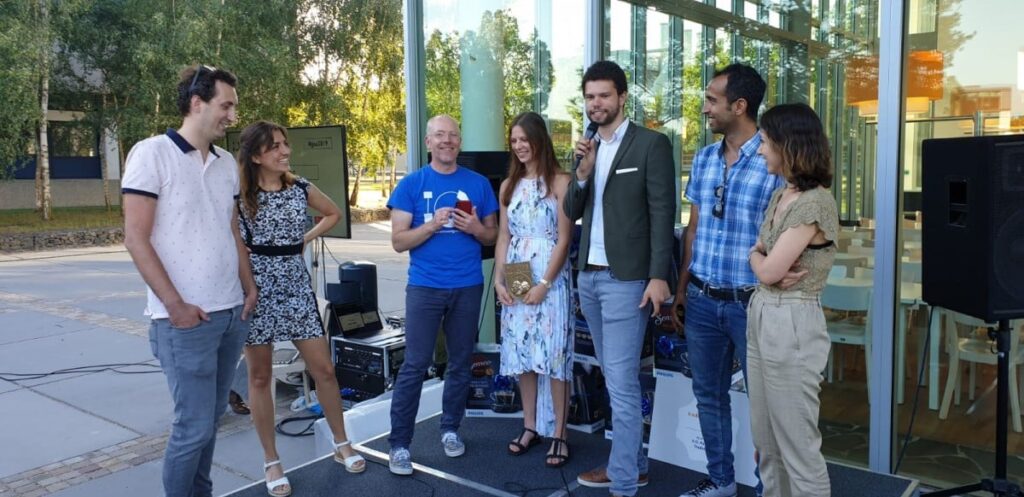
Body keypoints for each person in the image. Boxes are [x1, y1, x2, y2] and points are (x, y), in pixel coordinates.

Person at [122, 64, 256, 497]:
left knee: (210, 422)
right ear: (197, 104)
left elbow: (231, 231)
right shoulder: (150, 153)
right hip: (184, 320)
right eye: (226, 105)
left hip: (229, 312)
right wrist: (175, 306)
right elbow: (135, 238)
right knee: (192, 427)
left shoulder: (224, 166)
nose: (232, 115)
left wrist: (248, 287)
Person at [669, 63, 788, 497]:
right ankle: (720, 481)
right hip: (701, 299)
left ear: (740, 106)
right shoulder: (703, 158)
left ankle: (766, 490)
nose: (704, 109)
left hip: (752, 303)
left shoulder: (775, 160)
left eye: (712, 100)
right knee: (708, 396)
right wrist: (682, 289)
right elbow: (693, 230)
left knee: (765, 408)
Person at [236, 121, 365, 497]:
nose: (284, 151)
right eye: (275, 146)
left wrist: (302, 240)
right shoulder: (240, 197)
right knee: (259, 378)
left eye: (284, 144)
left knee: (323, 368)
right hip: (256, 290)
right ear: (257, 156)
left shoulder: (300, 187)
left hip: (295, 287)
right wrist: (248, 287)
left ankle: (342, 444)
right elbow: (237, 247)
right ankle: (271, 460)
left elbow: (333, 213)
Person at [565, 60, 675, 497]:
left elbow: (663, 213)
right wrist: (583, 174)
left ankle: (624, 484)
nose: (596, 104)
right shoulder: (586, 147)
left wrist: (657, 276)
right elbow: (573, 210)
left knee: (622, 384)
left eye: (604, 96)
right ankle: (631, 463)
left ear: (623, 97)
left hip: (628, 280)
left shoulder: (651, 145)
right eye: (590, 97)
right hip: (589, 279)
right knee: (614, 378)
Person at [385, 115, 499, 476]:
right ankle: (399, 445)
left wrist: (476, 227)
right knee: (415, 365)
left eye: (452, 135)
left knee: (460, 362)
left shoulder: (479, 184)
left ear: (459, 141)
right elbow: (399, 242)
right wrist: (432, 225)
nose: (447, 141)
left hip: (467, 286)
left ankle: (451, 429)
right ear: (428, 142)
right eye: (440, 135)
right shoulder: (412, 184)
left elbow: (493, 237)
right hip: (425, 287)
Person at [746, 103, 836, 497]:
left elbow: (766, 269)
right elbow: (760, 257)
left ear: (788, 144)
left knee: (798, 448)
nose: (760, 150)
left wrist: (762, 262)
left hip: (793, 322)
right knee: (767, 445)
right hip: (763, 311)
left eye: (765, 142)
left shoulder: (814, 202)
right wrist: (760, 260)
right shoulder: (783, 193)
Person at [494, 112, 573, 467]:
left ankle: (559, 433)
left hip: (549, 274)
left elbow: (565, 239)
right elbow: (504, 236)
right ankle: (529, 426)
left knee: (554, 354)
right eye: (514, 141)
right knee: (524, 351)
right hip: (517, 268)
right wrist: (499, 279)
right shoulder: (509, 185)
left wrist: (544, 284)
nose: (519, 146)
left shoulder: (560, 182)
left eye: (524, 139)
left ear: (540, 139)